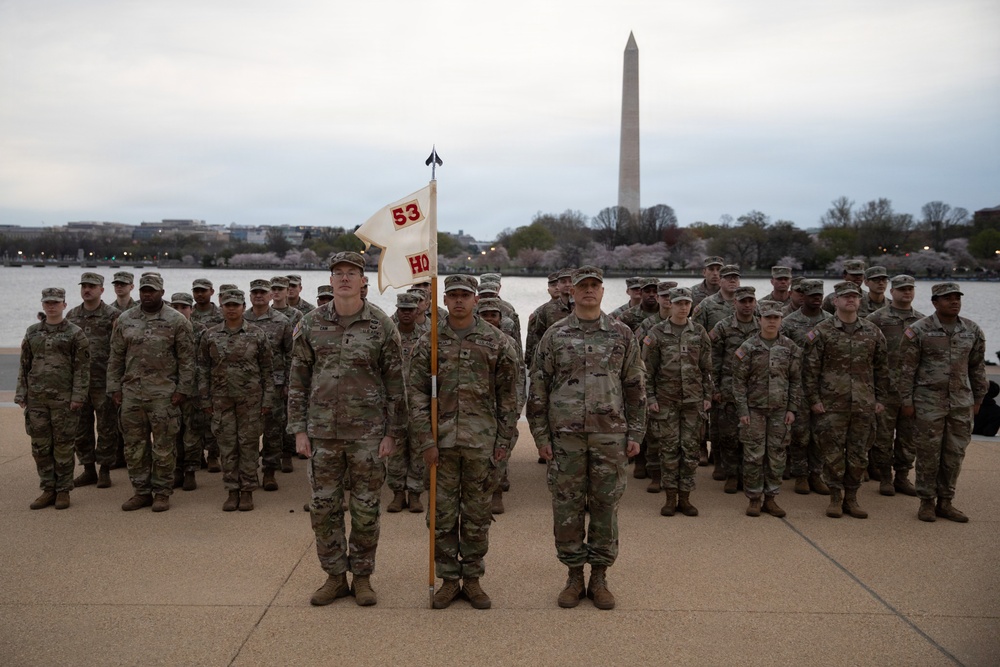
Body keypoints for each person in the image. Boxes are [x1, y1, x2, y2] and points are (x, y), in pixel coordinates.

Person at [288, 251, 405, 607]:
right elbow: (298, 380)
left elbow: (395, 384)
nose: (344, 278)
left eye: (351, 273)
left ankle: (364, 578)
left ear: (363, 280)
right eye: (337, 272)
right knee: (324, 509)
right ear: (330, 279)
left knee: (367, 509)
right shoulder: (310, 324)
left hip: (368, 436)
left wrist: (392, 433)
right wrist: (299, 430)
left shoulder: (381, 326)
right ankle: (335, 577)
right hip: (322, 433)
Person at [528, 266, 645, 611]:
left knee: (606, 506)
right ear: (572, 293)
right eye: (583, 287)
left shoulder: (622, 334)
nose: (588, 291)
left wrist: (636, 432)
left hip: (610, 436)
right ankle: (574, 575)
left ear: (602, 291)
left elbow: (635, 387)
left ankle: (600, 576)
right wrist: (539, 435)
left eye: (594, 286)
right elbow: (538, 387)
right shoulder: (555, 335)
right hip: (566, 438)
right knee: (567, 507)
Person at [410, 275, 519, 609]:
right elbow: (413, 392)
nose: (458, 301)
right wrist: (425, 440)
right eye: (452, 295)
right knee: (441, 516)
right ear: (444, 299)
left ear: (476, 300)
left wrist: (503, 444)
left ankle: (472, 579)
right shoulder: (428, 342)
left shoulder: (498, 342)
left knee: (476, 515)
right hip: (440, 445)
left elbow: (509, 398)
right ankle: (448, 579)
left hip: (481, 444)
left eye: (464, 295)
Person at [899, 282, 987, 523]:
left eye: (957, 297)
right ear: (935, 303)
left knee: (954, 453)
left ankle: (946, 501)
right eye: (947, 298)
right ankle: (926, 501)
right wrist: (907, 401)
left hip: (960, 403)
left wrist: (979, 398)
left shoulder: (971, 330)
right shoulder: (918, 330)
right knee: (928, 454)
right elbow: (906, 370)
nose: (954, 301)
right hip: (928, 403)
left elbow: (977, 367)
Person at [107, 274, 196, 513]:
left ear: (161, 292)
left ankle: (162, 493)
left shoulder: (176, 321)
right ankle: (141, 492)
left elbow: (188, 360)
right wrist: (114, 388)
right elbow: (115, 357)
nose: (147, 294)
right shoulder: (125, 320)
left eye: (152, 291)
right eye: (144, 290)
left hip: (164, 395)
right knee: (135, 447)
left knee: (164, 447)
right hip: (132, 394)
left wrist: (182, 391)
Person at [802, 281, 888, 519]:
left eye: (855, 296)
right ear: (836, 301)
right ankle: (835, 497)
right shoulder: (821, 332)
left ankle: (852, 497)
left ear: (860, 302)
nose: (851, 300)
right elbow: (809, 371)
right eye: (846, 297)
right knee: (832, 453)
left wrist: (880, 399)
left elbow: (881, 369)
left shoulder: (872, 332)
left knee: (859, 453)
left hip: (863, 403)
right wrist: (814, 399)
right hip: (831, 404)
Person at [200, 290, 275, 512]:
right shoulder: (210, 335)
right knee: (227, 446)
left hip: (250, 400)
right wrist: (205, 398)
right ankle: (232, 490)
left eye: (236, 305)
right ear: (221, 307)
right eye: (227, 305)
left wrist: (267, 399)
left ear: (243, 307)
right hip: (221, 400)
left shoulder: (257, 334)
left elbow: (267, 370)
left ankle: (248, 491)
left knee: (249, 445)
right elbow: (202, 368)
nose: (231, 309)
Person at [16, 288, 90, 510]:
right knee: (40, 446)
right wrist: (21, 393)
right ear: (42, 305)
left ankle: (63, 490)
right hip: (37, 400)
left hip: (64, 400)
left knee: (64, 446)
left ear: (64, 305)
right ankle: (48, 488)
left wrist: (78, 396)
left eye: (56, 302)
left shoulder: (75, 334)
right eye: (47, 302)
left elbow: (82, 369)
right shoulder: (32, 333)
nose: (51, 306)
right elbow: (24, 365)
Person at [642, 287, 713, 518]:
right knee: (669, 449)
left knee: (690, 450)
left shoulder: (699, 332)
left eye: (686, 303)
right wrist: (651, 398)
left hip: (693, 402)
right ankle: (670, 498)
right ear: (670, 305)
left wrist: (707, 397)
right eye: (679, 303)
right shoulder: (657, 333)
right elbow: (647, 371)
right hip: (666, 401)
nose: (683, 307)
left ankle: (686, 498)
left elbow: (706, 369)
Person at [732, 304, 801, 517]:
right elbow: (738, 382)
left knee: (777, 455)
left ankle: (771, 498)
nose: (772, 321)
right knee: (753, 455)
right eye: (767, 317)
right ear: (759, 319)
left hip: (780, 410)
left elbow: (796, 380)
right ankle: (754, 498)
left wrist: (792, 409)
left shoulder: (790, 347)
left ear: (781, 320)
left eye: (776, 318)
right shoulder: (748, 347)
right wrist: (743, 410)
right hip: (754, 410)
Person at [865, 274, 924, 496]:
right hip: (885, 389)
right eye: (901, 289)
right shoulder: (876, 319)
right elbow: (866, 354)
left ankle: (902, 476)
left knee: (908, 437)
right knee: (882, 437)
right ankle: (885, 477)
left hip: (911, 390)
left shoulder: (921, 321)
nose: (906, 293)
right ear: (892, 292)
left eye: (910, 289)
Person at [65, 272, 120, 489]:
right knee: (81, 427)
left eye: (92, 286)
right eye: (84, 286)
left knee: (107, 427)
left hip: (103, 381)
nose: (87, 290)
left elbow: (119, 350)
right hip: (80, 383)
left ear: (101, 290)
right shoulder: (72, 315)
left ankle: (105, 469)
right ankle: (88, 469)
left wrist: (117, 382)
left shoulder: (112, 315)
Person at [781, 279, 831, 495]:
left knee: (821, 432)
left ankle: (816, 474)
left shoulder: (830, 321)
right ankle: (800, 474)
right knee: (800, 433)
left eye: (820, 295)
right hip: (799, 384)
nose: (817, 298)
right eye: (812, 295)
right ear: (803, 297)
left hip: (824, 386)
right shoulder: (789, 323)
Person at [243, 279, 294, 489]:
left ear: (270, 295)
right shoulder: (241, 318)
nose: (259, 296)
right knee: (247, 432)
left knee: (273, 431)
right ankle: (248, 472)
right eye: (255, 292)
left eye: (263, 292)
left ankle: (270, 471)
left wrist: (289, 384)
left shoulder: (282, 321)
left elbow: (291, 354)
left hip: (275, 383)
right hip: (246, 384)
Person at [476, 296, 525, 512]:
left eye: (493, 315)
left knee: (501, 448)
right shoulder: (468, 340)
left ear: (500, 318)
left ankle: (496, 492)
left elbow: (519, 376)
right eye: (484, 315)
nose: (488, 319)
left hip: (502, 405)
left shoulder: (509, 343)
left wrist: (518, 404)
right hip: (476, 407)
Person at [710, 285, 760, 494]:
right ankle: (731, 475)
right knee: (729, 434)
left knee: (753, 435)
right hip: (729, 387)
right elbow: (713, 359)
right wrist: (715, 387)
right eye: (743, 301)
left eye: (750, 301)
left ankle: (749, 476)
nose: (747, 305)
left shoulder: (763, 325)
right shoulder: (723, 327)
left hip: (757, 388)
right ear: (734, 303)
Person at [386, 292, 428, 514]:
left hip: (418, 403)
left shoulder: (427, 336)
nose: (406, 313)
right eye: (402, 309)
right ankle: (397, 493)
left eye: (410, 309)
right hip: (394, 403)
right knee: (395, 449)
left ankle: (415, 494)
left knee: (418, 448)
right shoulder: (387, 333)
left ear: (417, 310)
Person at [168, 292, 207, 491]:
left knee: (192, 431)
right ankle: (176, 470)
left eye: (184, 307)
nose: (180, 311)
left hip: (193, 390)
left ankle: (190, 471)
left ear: (191, 309)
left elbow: (207, 361)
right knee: (173, 431)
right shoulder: (165, 329)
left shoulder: (201, 331)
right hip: (170, 388)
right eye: (175, 307)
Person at [525, 268, 574, 366]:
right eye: (553, 285)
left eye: (570, 281)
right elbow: (535, 338)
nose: (567, 285)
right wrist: (531, 362)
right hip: (553, 361)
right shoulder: (544, 311)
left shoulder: (583, 307)